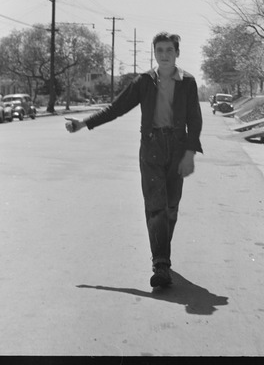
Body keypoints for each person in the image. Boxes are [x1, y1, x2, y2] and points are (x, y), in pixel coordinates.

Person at [65, 32, 203, 288]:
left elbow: (195, 120)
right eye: (159, 50)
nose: (164, 55)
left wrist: (190, 154)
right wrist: (84, 123)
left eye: (169, 50)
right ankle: (161, 264)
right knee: (155, 206)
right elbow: (117, 108)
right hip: (151, 147)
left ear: (177, 53)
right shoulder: (144, 82)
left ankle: (162, 251)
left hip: (177, 147)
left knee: (171, 206)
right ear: (154, 52)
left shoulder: (188, 82)